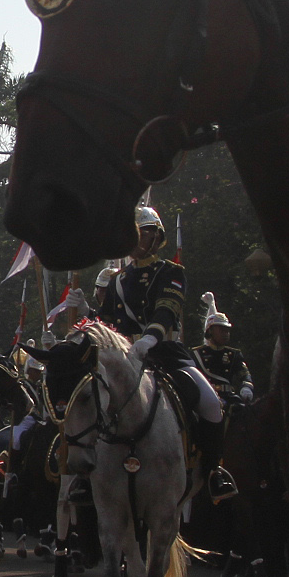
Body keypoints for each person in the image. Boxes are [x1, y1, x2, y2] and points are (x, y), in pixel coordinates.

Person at [92, 202, 233, 498]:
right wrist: (84, 321)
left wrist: (149, 339)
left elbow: (167, 309)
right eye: (131, 235)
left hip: (163, 353)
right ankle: (83, 472)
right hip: (123, 356)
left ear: (156, 237)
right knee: (85, 401)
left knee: (210, 404)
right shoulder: (116, 281)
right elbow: (104, 322)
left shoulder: (171, 272)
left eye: (142, 233)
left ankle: (213, 471)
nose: (136, 240)